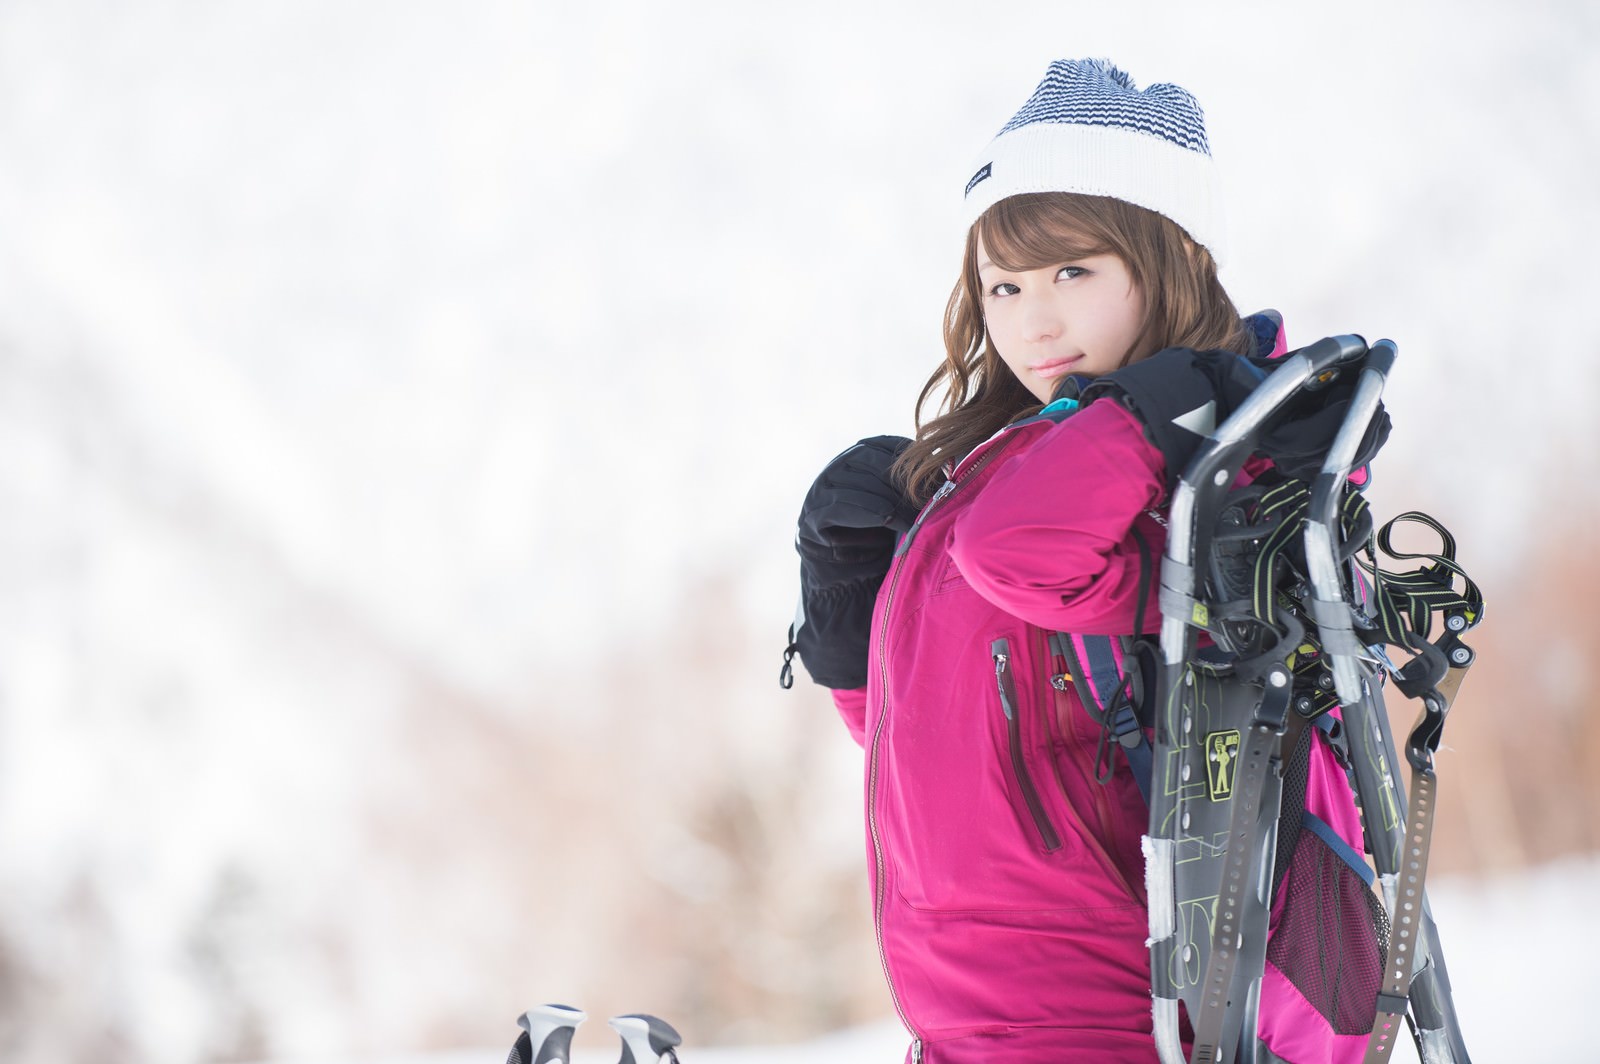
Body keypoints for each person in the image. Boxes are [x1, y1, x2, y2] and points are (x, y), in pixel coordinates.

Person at [787, 59, 1363, 1063]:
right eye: (1002, 285)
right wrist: (851, 629)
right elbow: (962, 740)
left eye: (1072, 271)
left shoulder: (1213, 462)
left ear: (1173, 255)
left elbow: (1019, 559)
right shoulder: (1033, 457)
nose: (1032, 320)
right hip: (965, 1026)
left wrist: (1154, 407)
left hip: (1118, 1024)